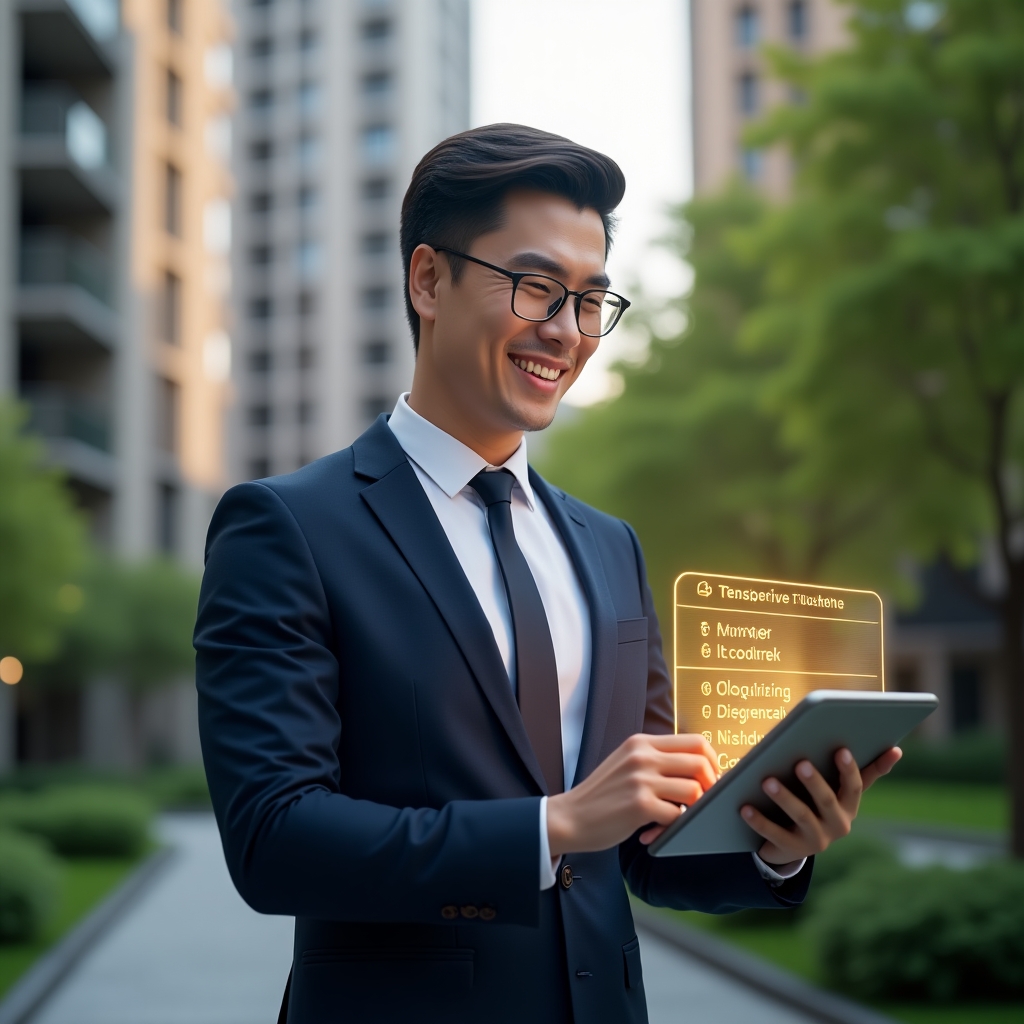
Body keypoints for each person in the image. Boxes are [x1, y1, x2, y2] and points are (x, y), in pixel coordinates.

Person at [194, 124, 900, 1024]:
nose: (566, 331)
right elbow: (273, 840)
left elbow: (641, 845)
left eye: (592, 299)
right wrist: (554, 824)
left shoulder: (610, 546)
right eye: (537, 287)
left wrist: (775, 842)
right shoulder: (287, 527)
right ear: (428, 280)